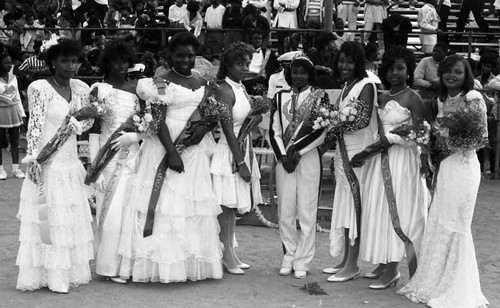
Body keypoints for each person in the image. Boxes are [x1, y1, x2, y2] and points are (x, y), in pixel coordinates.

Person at [117, 32, 223, 283]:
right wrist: (172, 153)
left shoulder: (201, 81)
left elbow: (209, 113)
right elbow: (158, 120)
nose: (186, 60)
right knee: (165, 206)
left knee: (189, 206)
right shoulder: (159, 82)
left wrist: (205, 128)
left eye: (190, 55)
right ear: (170, 56)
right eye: (180, 55)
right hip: (165, 148)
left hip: (193, 149)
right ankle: (160, 266)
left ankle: (187, 264)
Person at [398, 54, 489, 308]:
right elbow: (437, 132)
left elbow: (480, 138)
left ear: (466, 75)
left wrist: (445, 148)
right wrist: (430, 146)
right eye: (448, 72)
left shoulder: (473, 98)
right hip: (444, 169)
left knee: (458, 224)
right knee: (440, 220)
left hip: (463, 168)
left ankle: (457, 287)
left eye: (458, 72)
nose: (452, 76)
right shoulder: (441, 100)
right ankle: (435, 282)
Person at [16, 39, 94, 293]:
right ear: (52, 62)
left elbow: (89, 122)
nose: (71, 66)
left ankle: (66, 272)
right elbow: (35, 124)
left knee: (67, 219)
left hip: (70, 162)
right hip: (47, 162)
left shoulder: (81, 87)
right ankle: (48, 275)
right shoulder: (40, 87)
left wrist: (78, 125)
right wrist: (32, 158)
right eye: (65, 61)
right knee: (48, 219)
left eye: (75, 61)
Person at [359, 46, 429, 289]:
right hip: (381, 160)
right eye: (391, 68)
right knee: (380, 210)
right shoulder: (383, 97)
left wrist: (396, 139)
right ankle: (382, 261)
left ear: (409, 70)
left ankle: (393, 269)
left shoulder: (413, 98)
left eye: (400, 68)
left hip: (402, 162)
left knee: (396, 213)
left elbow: (421, 135)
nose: (395, 73)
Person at [87, 39, 143, 284]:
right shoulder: (98, 90)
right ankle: (108, 266)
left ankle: (125, 267)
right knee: (109, 216)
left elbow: (147, 126)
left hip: (132, 158)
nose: (121, 66)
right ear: (107, 62)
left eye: (125, 62)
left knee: (129, 215)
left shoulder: (137, 91)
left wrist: (135, 136)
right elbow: (92, 131)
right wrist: (94, 168)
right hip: (106, 160)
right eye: (116, 61)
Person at [270, 54, 329, 279]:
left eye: (303, 72)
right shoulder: (279, 97)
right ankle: (288, 255)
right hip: (284, 161)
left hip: (308, 159)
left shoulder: (319, 97)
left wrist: (298, 152)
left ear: (310, 74)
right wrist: (283, 156)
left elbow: (321, 130)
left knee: (306, 210)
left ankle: (302, 260)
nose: (298, 76)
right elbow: (273, 130)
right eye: (295, 72)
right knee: (285, 210)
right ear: (289, 74)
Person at [323, 41, 378, 282]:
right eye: (341, 60)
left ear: (359, 62)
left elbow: (364, 119)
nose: (344, 65)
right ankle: (346, 259)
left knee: (355, 206)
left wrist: (337, 128)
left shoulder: (367, 84)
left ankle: (353, 264)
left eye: (350, 61)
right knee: (345, 205)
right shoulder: (346, 86)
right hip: (342, 151)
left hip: (358, 154)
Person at [211, 42, 263, 274]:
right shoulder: (224, 90)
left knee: (232, 210)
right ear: (228, 65)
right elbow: (228, 130)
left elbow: (247, 118)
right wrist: (241, 162)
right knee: (226, 207)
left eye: (247, 64)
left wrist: (258, 118)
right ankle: (225, 255)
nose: (245, 68)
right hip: (229, 153)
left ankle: (230, 251)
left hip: (243, 148)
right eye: (240, 64)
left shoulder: (240, 87)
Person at [0, 52, 26, 180]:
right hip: (1, 111)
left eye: (10, 62)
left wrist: (22, 114)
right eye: (6, 62)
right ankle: (0, 170)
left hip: (14, 111)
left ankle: (16, 169)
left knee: (15, 142)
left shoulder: (14, 77)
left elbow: (17, 98)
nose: (9, 65)